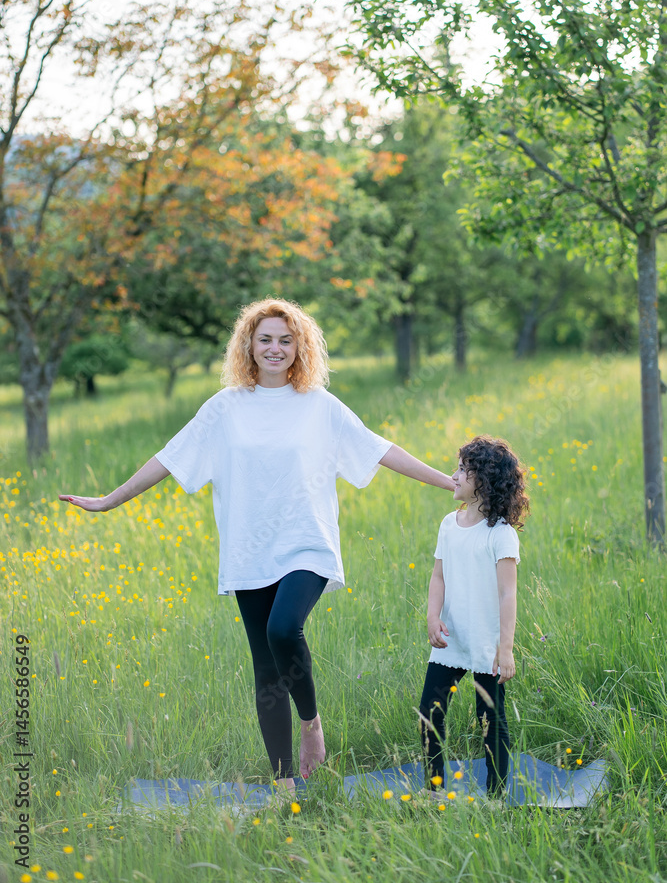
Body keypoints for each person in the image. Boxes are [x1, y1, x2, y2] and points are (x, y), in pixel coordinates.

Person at [60, 297, 455, 793]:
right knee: (266, 666)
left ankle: (312, 724)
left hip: (306, 542)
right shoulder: (225, 408)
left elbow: (381, 449)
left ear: (300, 347)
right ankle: (284, 785)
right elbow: (169, 458)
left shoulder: (319, 405)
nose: (275, 348)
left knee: (284, 629)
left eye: (285, 340)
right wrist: (109, 500)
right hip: (249, 549)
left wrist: (448, 483)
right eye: (265, 339)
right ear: (248, 344)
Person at [419, 435, 529, 797]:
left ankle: (496, 797)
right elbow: (439, 575)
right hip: (450, 639)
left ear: (483, 480)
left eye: (463, 470)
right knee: (429, 713)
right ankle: (434, 791)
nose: (453, 475)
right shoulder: (449, 524)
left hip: (486, 644)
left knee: (490, 721)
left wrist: (506, 648)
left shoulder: (501, 534)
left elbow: (507, 593)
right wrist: (433, 617)